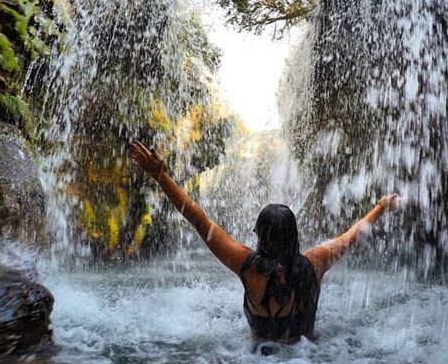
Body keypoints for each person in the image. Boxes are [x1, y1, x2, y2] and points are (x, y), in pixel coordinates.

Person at [130, 141, 401, 347]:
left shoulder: (248, 267)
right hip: (307, 363)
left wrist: (160, 175)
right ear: (294, 236)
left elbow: (199, 220)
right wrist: (380, 207)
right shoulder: (315, 263)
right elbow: (352, 236)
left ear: (259, 235)